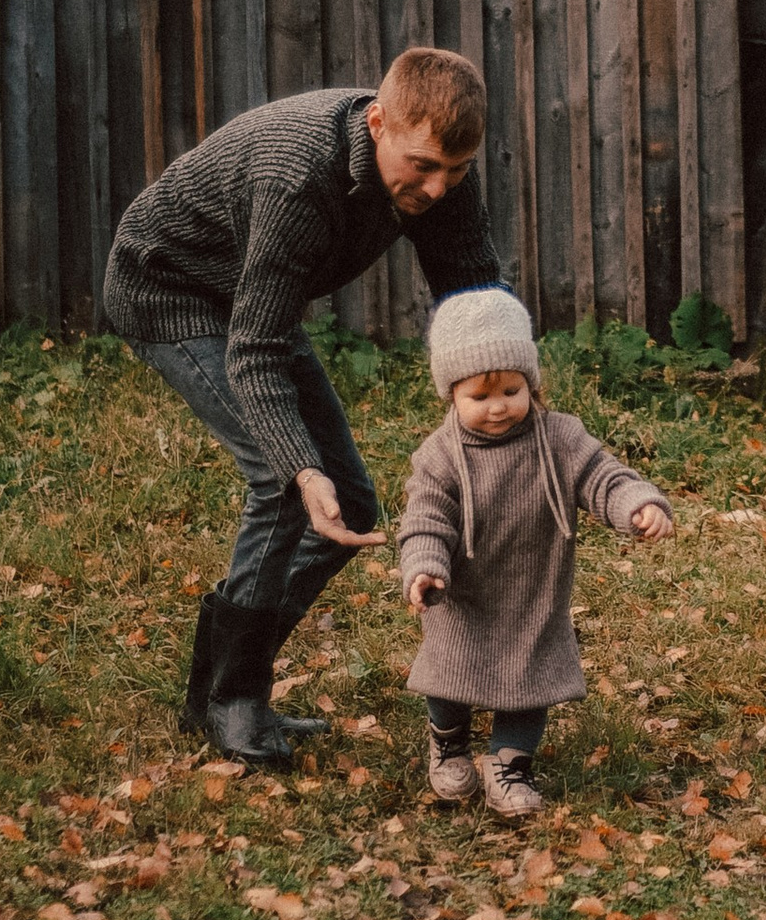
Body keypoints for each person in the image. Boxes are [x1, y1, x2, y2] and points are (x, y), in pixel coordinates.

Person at [103, 50, 500, 764]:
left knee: (348, 500)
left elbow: (473, 298)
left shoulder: (439, 170)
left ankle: (216, 691)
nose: (439, 189)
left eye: (458, 170)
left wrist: (513, 415)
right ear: (377, 123)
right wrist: (297, 465)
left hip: (253, 296)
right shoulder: (299, 176)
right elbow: (253, 348)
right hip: (168, 287)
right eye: (424, 166)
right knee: (286, 485)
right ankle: (235, 701)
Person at [396, 287, 673, 819]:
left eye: (512, 389)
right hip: (462, 595)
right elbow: (425, 516)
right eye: (480, 396)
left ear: (532, 383)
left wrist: (635, 503)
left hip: (534, 593)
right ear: (450, 395)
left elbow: (602, 476)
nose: (498, 406)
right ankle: (450, 742)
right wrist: (425, 564)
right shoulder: (440, 456)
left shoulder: (560, 438)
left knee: (530, 679)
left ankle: (510, 764)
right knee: (452, 671)